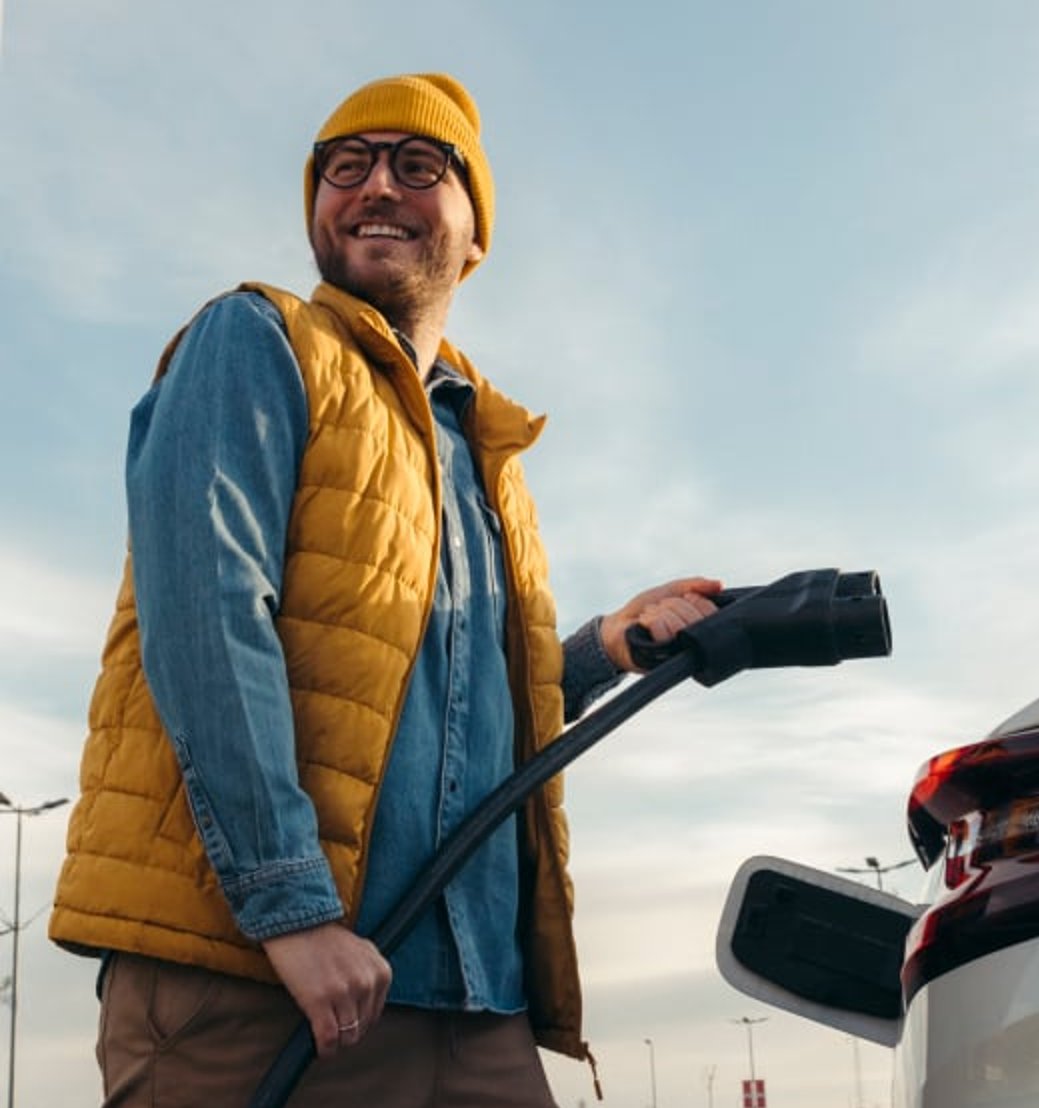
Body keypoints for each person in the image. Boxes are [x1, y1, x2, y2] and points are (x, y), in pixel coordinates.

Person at [49, 72, 721, 1107]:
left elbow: (455, 708)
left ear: (475, 230)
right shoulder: (259, 340)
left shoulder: (482, 454)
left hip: (470, 995)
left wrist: (603, 648)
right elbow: (206, 615)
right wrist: (290, 909)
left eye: (418, 166)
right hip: (261, 983)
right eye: (344, 167)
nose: (373, 188)